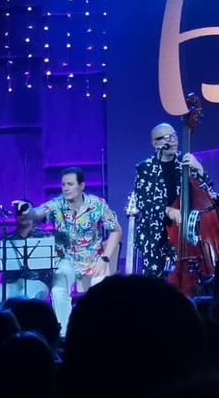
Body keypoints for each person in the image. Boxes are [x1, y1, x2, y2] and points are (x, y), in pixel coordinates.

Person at [14, 167, 121, 337]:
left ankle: (100, 334)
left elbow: (116, 230)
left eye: (70, 184)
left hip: (94, 259)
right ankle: (65, 335)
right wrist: (28, 211)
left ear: (82, 186)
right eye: (63, 184)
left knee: (101, 292)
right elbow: (38, 212)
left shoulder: (98, 204)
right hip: (67, 259)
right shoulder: (57, 204)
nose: (65, 188)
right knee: (58, 290)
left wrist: (105, 258)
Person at [132, 122, 207, 277]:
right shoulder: (145, 168)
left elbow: (207, 192)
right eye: (167, 137)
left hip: (182, 233)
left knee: (184, 278)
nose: (173, 140)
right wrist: (167, 210)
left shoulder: (185, 162)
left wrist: (200, 169)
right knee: (153, 284)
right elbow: (142, 202)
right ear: (155, 143)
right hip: (154, 236)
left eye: (174, 136)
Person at [0, 210, 51, 314]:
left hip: (36, 282)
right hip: (10, 283)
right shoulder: (7, 238)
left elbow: (52, 266)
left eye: (27, 213)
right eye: (19, 213)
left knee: (26, 301)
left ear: (33, 216)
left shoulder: (45, 236)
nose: (23, 215)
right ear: (15, 217)